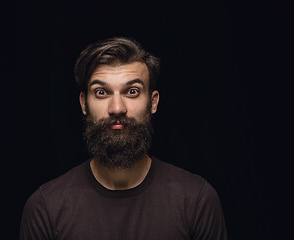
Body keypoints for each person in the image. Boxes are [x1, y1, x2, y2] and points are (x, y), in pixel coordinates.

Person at [20, 37, 227, 240]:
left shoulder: (196, 200)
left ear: (153, 102)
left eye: (132, 91)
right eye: (101, 92)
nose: (117, 108)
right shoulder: (46, 207)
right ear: (84, 103)